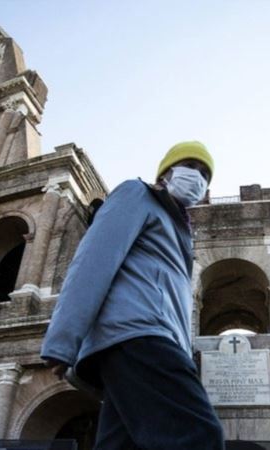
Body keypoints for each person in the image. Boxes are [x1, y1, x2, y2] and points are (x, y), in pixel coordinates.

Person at [40, 141, 225, 450]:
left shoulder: (180, 233)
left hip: (149, 343)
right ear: (166, 172)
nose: (198, 177)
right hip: (138, 336)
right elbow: (93, 260)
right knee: (198, 436)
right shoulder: (136, 195)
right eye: (191, 166)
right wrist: (62, 340)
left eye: (205, 174)